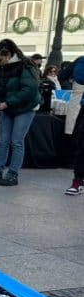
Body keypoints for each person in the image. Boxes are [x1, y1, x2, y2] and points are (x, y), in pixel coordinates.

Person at [0, 38, 41, 187]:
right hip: (8, 107)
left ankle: (12, 174)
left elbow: (30, 90)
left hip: (25, 107)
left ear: (8, 55)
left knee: (16, 141)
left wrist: (8, 103)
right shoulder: (0, 68)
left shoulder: (26, 66)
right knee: (3, 140)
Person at [58, 56, 84, 195]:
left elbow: (63, 75)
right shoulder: (81, 61)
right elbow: (79, 77)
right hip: (81, 104)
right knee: (82, 144)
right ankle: (78, 181)